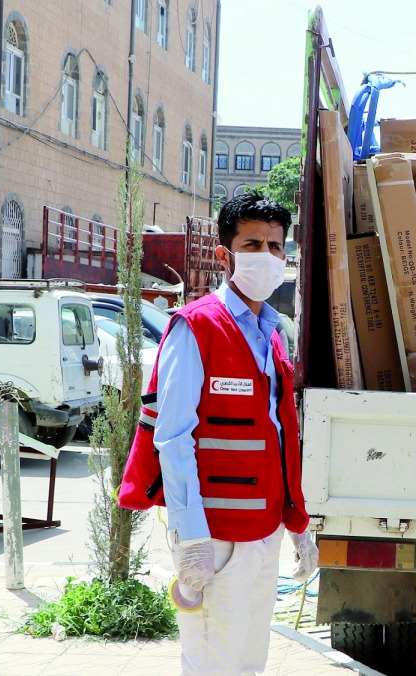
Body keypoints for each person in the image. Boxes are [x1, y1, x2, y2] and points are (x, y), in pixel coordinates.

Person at [118, 192, 318, 675]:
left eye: (275, 246)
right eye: (253, 244)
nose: (267, 257)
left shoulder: (272, 332)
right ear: (225, 254)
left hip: (263, 532)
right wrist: (191, 538)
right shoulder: (197, 327)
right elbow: (173, 437)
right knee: (213, 664)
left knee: (248, 663)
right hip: (216, 536)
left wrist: (297, 524)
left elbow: (276, 436)